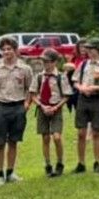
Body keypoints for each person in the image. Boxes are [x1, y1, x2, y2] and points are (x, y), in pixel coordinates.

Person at [0, 36, 34, 185]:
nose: (6, 52)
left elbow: (31, 89)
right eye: (4, 49)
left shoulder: (25, 68)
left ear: (15, 50)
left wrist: (26, 105)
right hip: (0, 107)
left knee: (13, 141)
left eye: (9, 49)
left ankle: (11, 172)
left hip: (18, 107)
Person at [73, 38, 99, 174]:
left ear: (98, 49)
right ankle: (81, 163)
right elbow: (75, 80)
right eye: (87, 49)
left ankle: (97, 162)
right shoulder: (84, 64)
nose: (88, 51)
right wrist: (81, 88)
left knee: (96, 132)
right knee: (81, 132)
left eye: (91, 49)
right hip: (83, 99)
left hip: (97, 99)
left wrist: (97, 87)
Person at [32, 49, 70, 177]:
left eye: (47, 61)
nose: (45, 64)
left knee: (57, 137)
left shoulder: (60, 77)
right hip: (43, 108)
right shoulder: (39, 76)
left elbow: (66, 96)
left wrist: (56, 107)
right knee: (45, 137)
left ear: (54, 62)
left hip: (56, 108)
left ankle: (59, 163)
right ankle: (48, 164)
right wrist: (41, 106)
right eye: (43, 61)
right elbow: (33, 94)